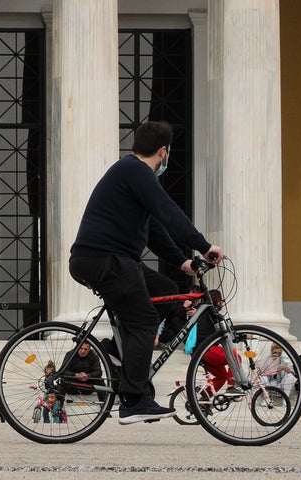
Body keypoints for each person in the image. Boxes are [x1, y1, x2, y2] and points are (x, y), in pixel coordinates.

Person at [69, 120, 224, 425]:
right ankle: (135, 400)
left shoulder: (132, 173)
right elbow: (168, 212)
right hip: (105, 259)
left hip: (111, 260)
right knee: (144, 320)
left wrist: (182, 262)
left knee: (166, 291)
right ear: (163, 151)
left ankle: (121, 357)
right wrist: (204, 247)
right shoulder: (136, 171)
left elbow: (154, 226)